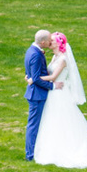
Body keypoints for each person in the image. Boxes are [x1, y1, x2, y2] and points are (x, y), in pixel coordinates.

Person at [31, 30, 87, 169]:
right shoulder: (54, 58)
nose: (50, 42)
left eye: (53, 40)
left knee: (62, 119)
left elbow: (53, 78)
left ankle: (66, 148)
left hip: (59, 93)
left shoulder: (63, 59)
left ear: (59, 43)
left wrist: (33, 79)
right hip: (53, 93)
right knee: (52, 120)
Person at [24, 30, 57, 160]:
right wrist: (53, 86)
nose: (50, 42)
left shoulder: (32, 50)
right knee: (33, 125)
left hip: (35, 93)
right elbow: (37, 78)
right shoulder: (36, 55)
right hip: (37, 95)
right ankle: (30, 155)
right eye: (49, 40)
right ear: (43, 42)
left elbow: (32, 75)